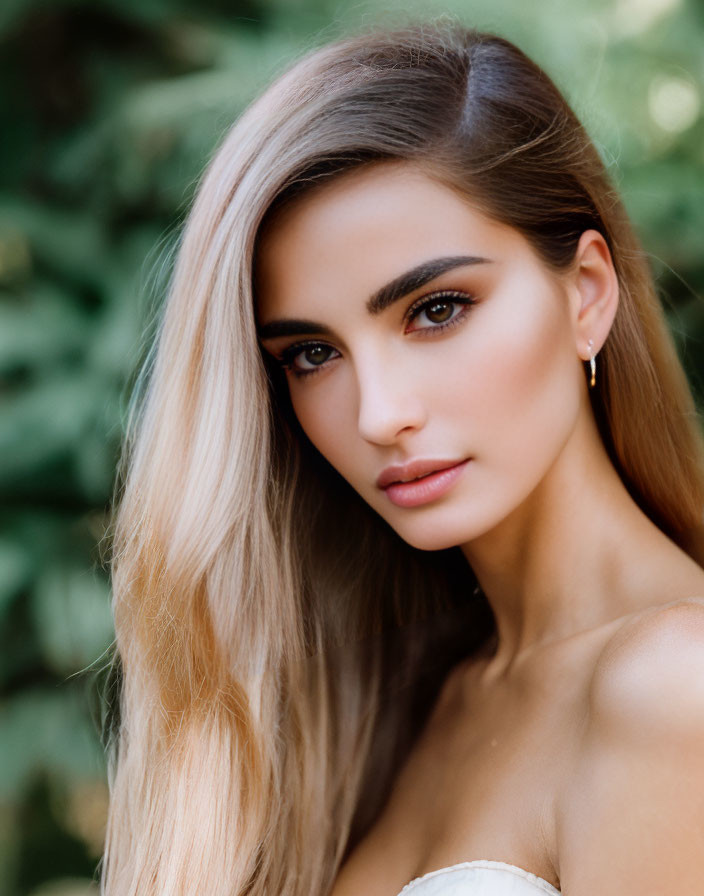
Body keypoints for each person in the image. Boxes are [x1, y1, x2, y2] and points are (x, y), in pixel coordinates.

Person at [99, 19, 704, 896]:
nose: (380, 415)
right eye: (311, 353)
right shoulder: (408, 699)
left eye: (437, 308)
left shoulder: (673, 688)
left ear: (586, 295)